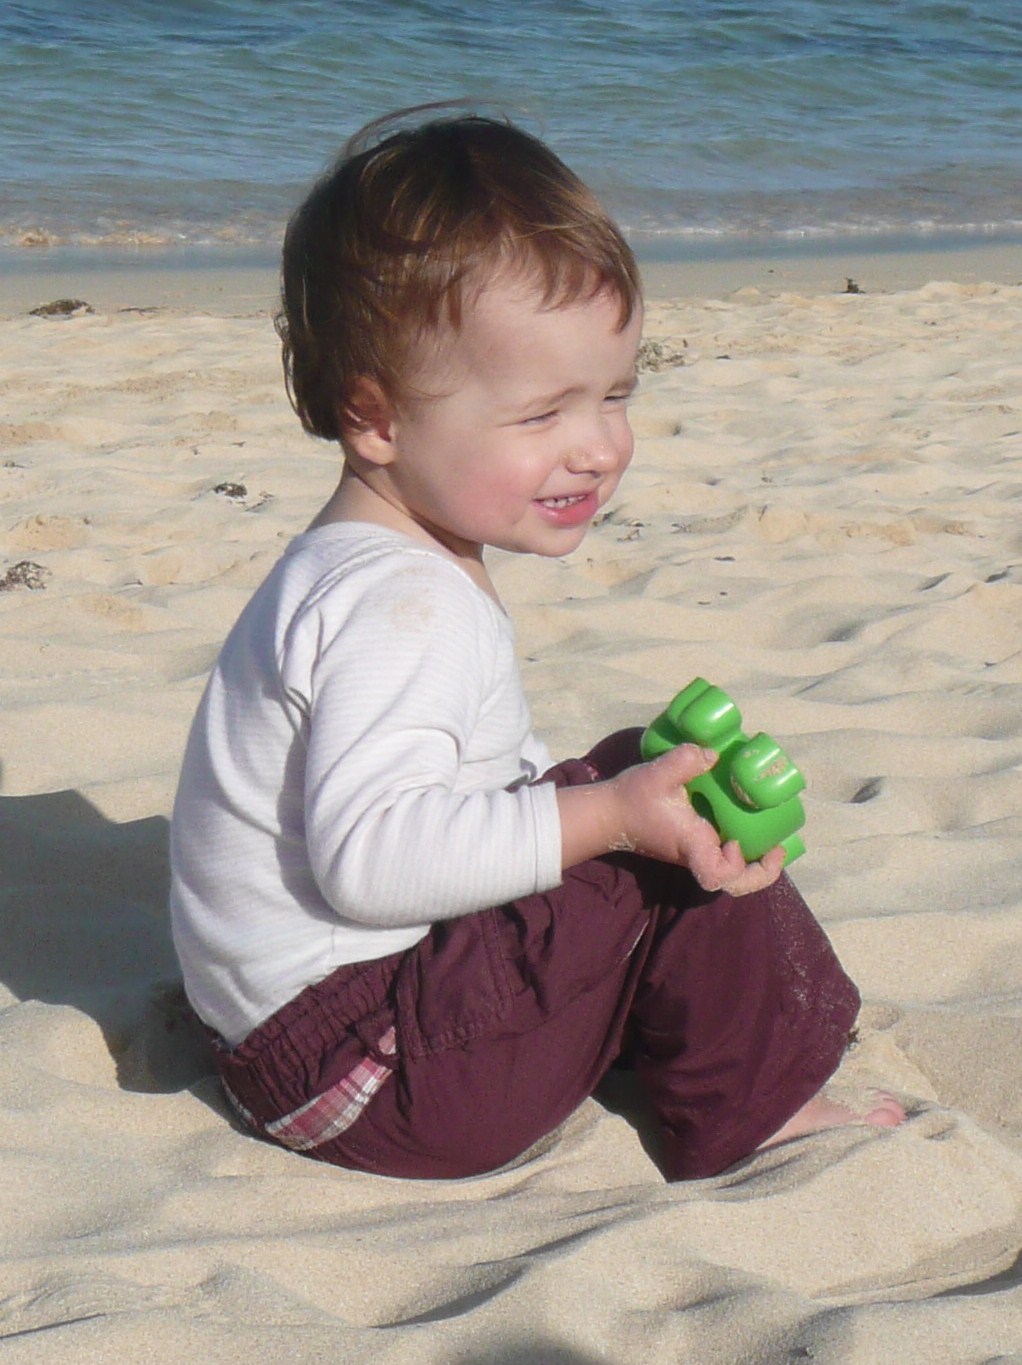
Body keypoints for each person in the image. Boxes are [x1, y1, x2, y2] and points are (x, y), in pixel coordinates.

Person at [169, 110, 903, 1182]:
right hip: (378, 1073)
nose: (597, 447)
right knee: (663, 808)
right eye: (542, 414)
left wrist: (599, 807)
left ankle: (655, 1009)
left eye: (615, 395)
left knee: (627, 784)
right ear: (376, 418)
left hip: (291, 1048)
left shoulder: (350, 559)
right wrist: (612, 817)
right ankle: (756, 1100)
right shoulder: (403, 606)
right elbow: (372, 860)